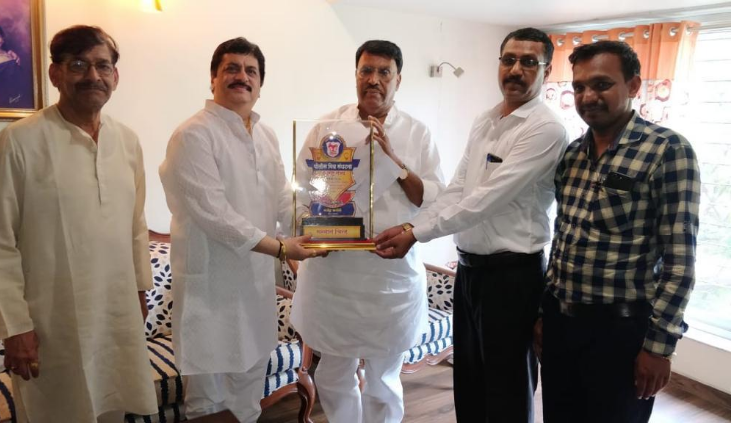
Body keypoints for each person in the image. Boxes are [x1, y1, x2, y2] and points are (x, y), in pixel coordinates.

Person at [375, 28, 569, 422]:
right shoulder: (486, 120)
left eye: (528, 62)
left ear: (546, 71)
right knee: (469, 382)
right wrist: (412, 226)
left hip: (513, 276)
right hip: (470, 271)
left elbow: (484, 202)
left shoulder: (546, 128)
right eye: (509, 60)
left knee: (506, 389)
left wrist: (415, 234)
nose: (515, 69)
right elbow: (457, 191)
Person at [0, 25, 157, 422]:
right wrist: (15, 327)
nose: (93, 76)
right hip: (51, 322)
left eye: (103, 66)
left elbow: (136, 225)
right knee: (57, 409)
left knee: (113, 405)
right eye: (78, 65)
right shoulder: (17, 142)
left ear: (115, 76)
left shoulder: (127, 142)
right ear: (55, 74)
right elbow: (2, 242)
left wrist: (140, 290)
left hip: (116, 315)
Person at [159, 37, 324, 423]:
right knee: (208, 404)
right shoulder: (193, 134)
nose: (242, 76)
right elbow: (213, 214)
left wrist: (321, 228)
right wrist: (281, 248)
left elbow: (283, 199)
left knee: (248, 397)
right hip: (209, 292)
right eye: (231, 68)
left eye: (251, 71)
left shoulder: (266, 136)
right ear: (213, 78)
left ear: (260, 84)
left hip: (255, 290)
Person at [537, 40, 700, 423]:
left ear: (634, 86)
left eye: (602, 84)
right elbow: (564, 239)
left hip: (621, 334)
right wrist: (545, 313)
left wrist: (659, 347)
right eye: (579, 87)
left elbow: (680, 260)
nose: (588, 96)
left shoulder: (667, 150)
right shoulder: (573, 154)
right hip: (562, 326)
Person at [290, 39, 445, 423]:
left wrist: (394, 160)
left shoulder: (418, 133)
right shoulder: (327, 128)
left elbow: (433, 199)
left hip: (389, 277)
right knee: (333, 372)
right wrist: (314, 231)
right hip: (334, 276)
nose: (373, 79)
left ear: (398, 79)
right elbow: (303, 190)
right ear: (356, 75)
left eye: (383, 72)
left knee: (384, 378)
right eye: (366, 71)